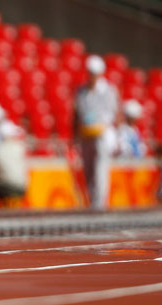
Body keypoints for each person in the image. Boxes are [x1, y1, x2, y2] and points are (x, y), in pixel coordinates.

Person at [73, 54, 120, 211]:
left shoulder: (108, 91)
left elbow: (115, 114)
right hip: (86, 135)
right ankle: (93, 201)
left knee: (100, 170)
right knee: (88, 170)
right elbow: (76, 115)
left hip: (101, 135)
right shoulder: (81, 92)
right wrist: (74, 136)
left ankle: (99, 205)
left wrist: (116, 137)